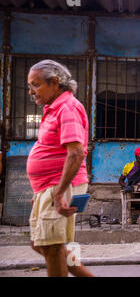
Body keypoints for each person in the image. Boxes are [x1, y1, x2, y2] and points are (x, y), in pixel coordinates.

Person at [26, 60, 94, 277]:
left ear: (54, 83)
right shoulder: (54, 108)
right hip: (48, 186)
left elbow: (76, 152)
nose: (31, 92)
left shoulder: (68, 107)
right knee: (40, 244)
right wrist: (40, 194)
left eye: (35, 85)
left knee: (52, 247)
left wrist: (57, 194)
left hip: (60, 184)